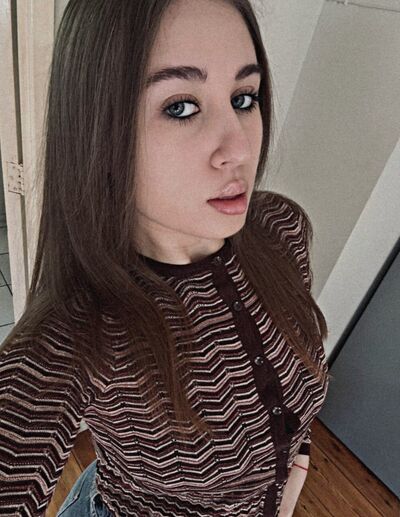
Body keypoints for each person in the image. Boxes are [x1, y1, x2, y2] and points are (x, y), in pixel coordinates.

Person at [0, 0, 331, 516]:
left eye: (244, 98)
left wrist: (294, 471)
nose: (240, 149)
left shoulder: (282, 229)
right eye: (181, 107)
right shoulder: (77, 335)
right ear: (98, 130)